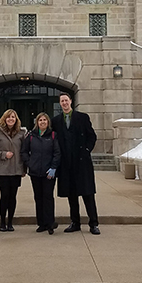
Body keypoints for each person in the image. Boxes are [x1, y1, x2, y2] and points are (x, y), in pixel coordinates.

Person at [51, 92, 100, 235]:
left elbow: (92, 136)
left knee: (88, 194)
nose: (64, 103)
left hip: (82, 162)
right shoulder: (56, 121)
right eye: (62, 101)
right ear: (60, 103)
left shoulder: (82, 118)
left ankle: (93, 223)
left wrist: (86, 150)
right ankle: (75, 222)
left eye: (66, 100)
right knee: (71, 195)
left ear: (71, 101)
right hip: (66, 164)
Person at [21, 112, 61, 234]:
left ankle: (50, 223)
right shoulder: (31, 136)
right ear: (36, 122)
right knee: (38, 197)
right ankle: (41, 223)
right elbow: (24, 151)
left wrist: (54, 167)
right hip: (35, 172)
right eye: (40, 120)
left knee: (48, 197)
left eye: (44, 120)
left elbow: (57, 153)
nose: (42, 122)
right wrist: (30, 164)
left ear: (48, 122)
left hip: (49, 173)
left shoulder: (53, 135)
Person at [0, 108, 27, 232]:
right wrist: (3, 154)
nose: (11, 119)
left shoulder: (21, 133)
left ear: (16, 119)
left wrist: (24, 168)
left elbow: (24, 152)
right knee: (4, 195)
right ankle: (2, 222)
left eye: (13, 117)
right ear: (4, 119)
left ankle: (10, 222)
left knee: (13, 196)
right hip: (3, 170)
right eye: (8, 117)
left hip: (16, 169)